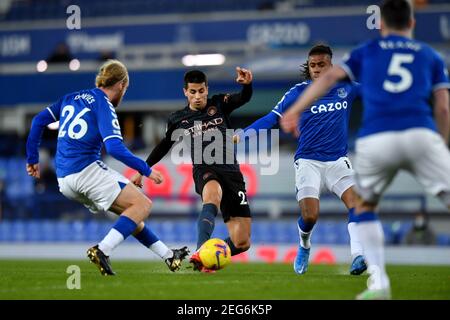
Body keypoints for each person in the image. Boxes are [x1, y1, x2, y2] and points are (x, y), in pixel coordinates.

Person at [280, 0, 450, 299]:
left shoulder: (367, 51)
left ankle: (379, 282)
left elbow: (333, 78)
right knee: (328, 212)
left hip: (378, 137)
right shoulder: (430, 55)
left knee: (365, 207)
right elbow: (444, 109)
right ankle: (327, 249)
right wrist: (443, 145)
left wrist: (297, 110)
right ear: (411, 24)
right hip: (421, 134)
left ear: (381, 25)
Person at [26, 59, 189, 275]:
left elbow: (38, 120)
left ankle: (169, 256)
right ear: (121, 84)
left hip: (64, 180)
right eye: (126, 89)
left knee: (132, 214)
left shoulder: (70, 98)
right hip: (86, 170)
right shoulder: (103, 104)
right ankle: (102, 250)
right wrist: (146, 170)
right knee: (143, 205)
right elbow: (114, 148)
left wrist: (32, 158)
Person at [234, 44, 367, 275]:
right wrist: (242, 134)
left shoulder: (346, 87)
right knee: (310, 215)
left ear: (330, 65)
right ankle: (304, 245)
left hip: (338, 161)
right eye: (313, 65)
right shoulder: (298, 93)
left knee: (356, 204)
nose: (316, 69)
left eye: (321, 65)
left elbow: (375, 92)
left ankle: (358, 255)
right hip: (308, 162)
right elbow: (271, 119)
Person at [131, 68, 253, 272]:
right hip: (205, 169)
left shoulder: (219, 104)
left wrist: (247, 84)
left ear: (207, 89)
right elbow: (163, 146)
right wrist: (143, 170)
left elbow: (244, 98)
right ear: (185, 92)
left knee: (242, 242)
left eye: (201, 91)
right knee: (212, 196)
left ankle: (209, 258)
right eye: (193, 92)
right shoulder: (179, 118)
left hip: (232, 173)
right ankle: (200, 252)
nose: (197, 96)